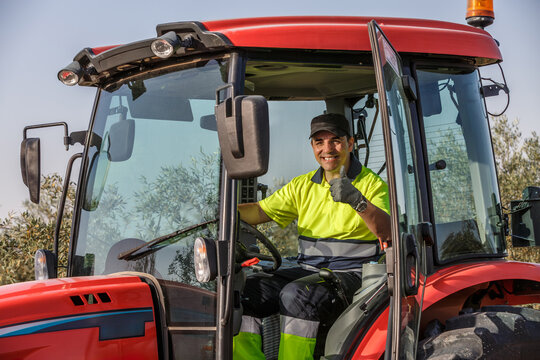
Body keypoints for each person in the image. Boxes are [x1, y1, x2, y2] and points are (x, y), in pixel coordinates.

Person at [233, 113, 391, 360]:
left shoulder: (372, 184)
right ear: (312, 147)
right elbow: (260, 211)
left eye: (335, 140)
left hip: (354, 276)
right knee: (247, 292)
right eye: (319, 142)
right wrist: (223, 212)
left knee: (298, 295)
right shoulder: (303, 185)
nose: (327, 149)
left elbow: (387, 230)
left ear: (350, 143)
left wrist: (357, 201)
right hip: (310, 269)